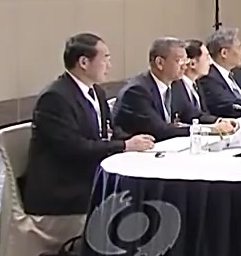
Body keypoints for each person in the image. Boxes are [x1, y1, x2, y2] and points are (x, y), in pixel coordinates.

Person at [22, 34, 154, 216]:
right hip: (64, 186)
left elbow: (109, 131)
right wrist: (124, 145)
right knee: (131, 195)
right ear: (84, 62)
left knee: (142, 186)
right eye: (105, 58)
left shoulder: (97, 91)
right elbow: (73, 147)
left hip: (88, 173)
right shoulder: (55, 98)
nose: (109, 65)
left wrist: (136, 142)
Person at [113, 38, 232, 141]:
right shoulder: (136, 91)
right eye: (179, 61)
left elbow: (192, 114)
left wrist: (220, 121)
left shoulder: (176, 84)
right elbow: (160, 130)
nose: (185, 66)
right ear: (160, 63)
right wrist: (208, 129)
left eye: (185, 60)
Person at [169, 38, 232, 128]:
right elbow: (190, 115)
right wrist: (216, 123)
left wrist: (220, 121)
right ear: (192, 64)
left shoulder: (197, 83)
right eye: (207, 57)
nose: (210, 62)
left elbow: (203, 113)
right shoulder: (176, 88)